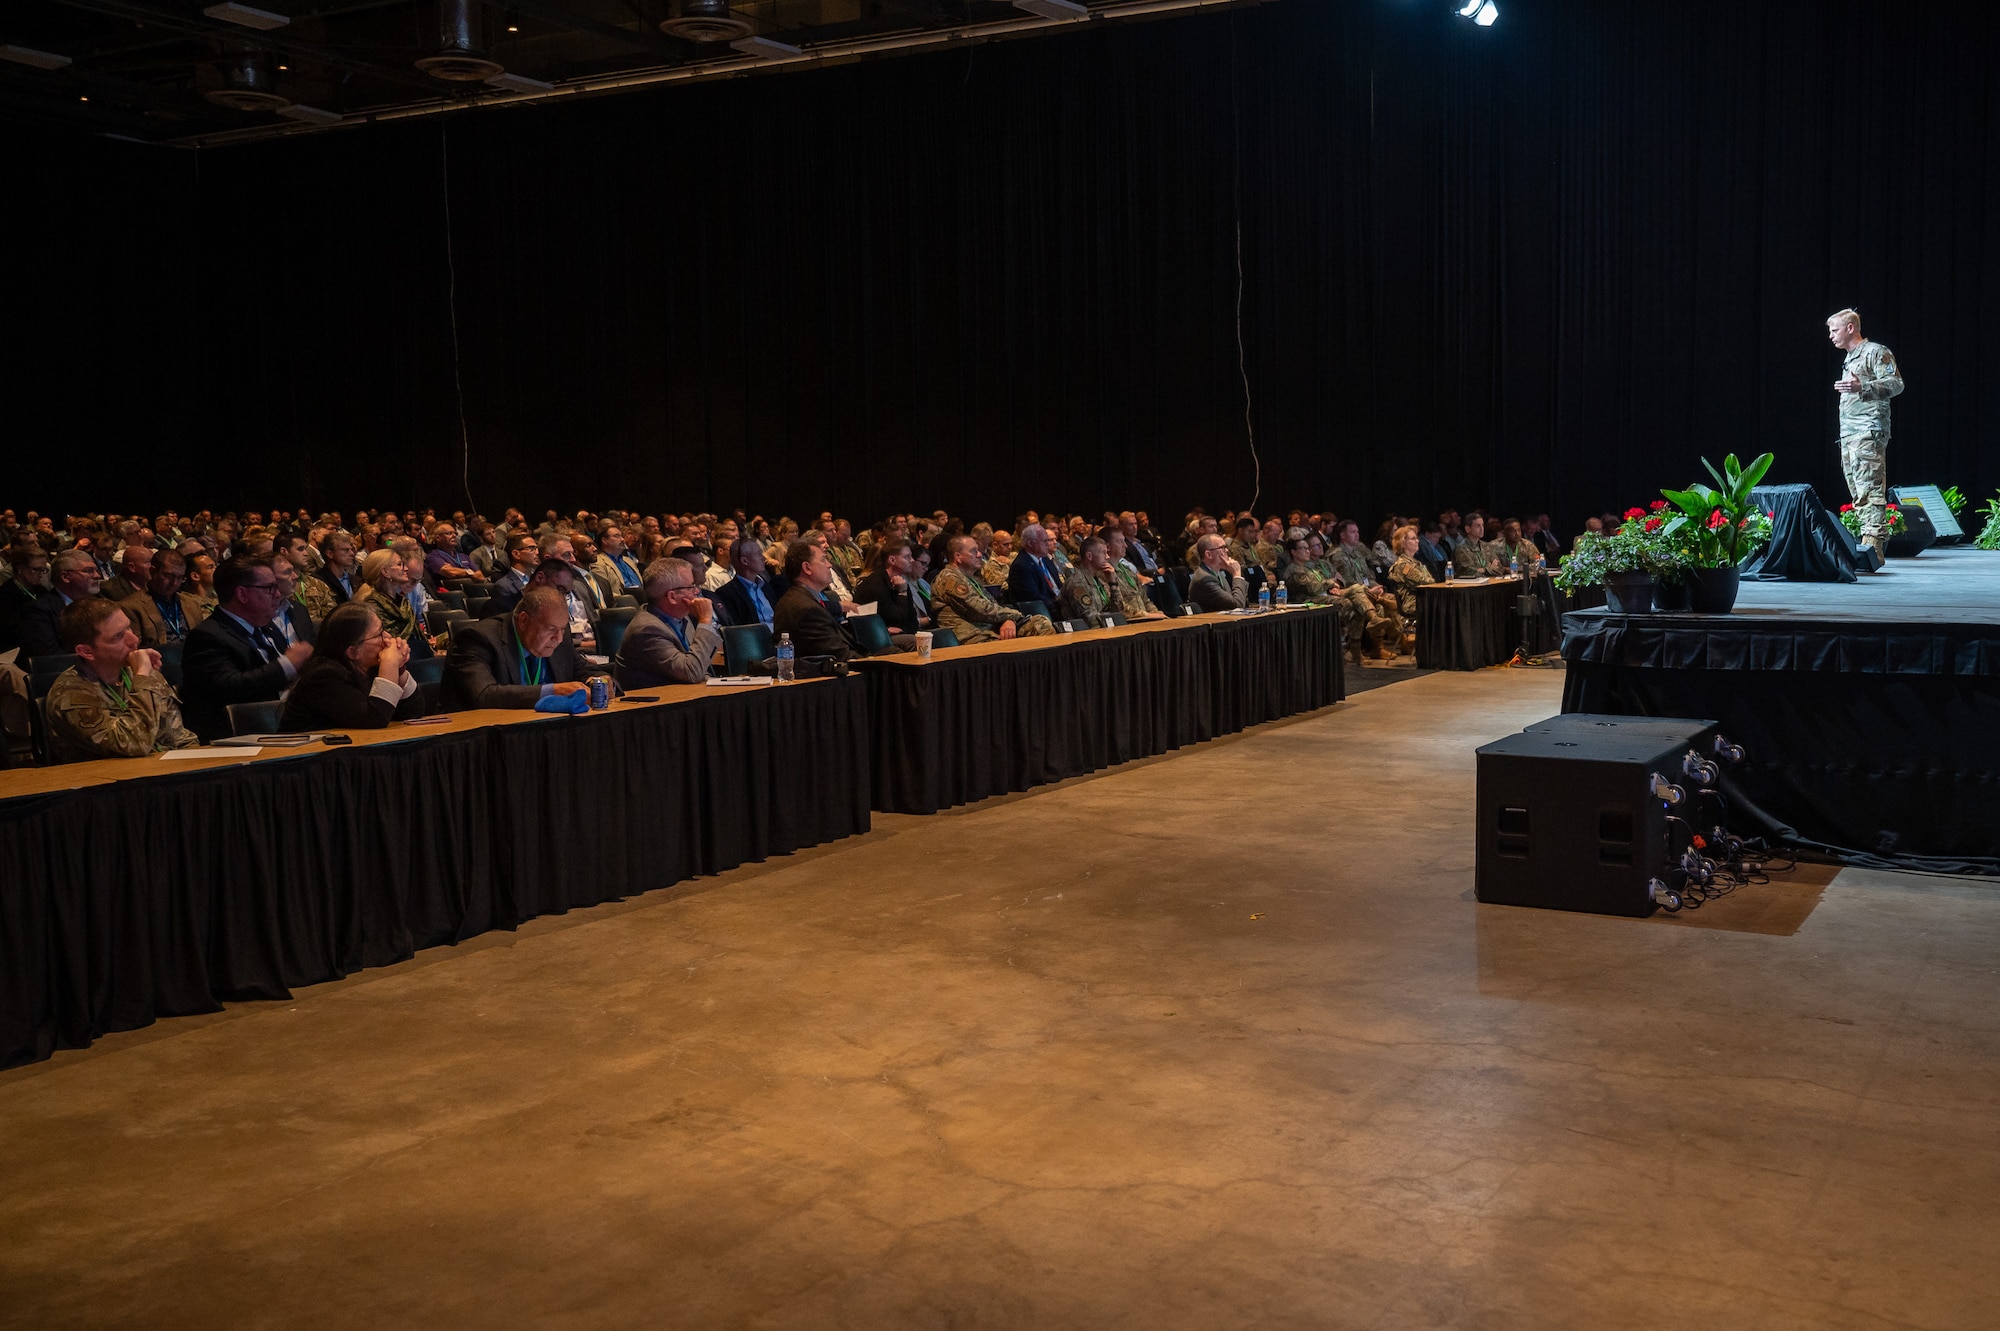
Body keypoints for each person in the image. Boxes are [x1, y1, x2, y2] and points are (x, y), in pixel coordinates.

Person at [43, 598, 199, 761]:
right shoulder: (72, 695)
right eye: (118, 637)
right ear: (86, 651)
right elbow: (134, 744)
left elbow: (179, 737)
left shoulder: (140, 672)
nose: (134, 640)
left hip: (161, 774)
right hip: (108, 781)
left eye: (128, 628)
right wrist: (142, 679)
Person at [180, 555, 317, 742]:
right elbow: (231, 688)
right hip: (232, 743)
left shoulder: (266, 627)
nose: (277, 594)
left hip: (279, 731)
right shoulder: (207, 637)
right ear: (242, 594)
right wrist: (287, 665)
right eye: (269, 588)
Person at [1828, 307, 1905, 562]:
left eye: (1834, 329)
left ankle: (1874, 547)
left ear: (1850, 328)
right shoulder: (1850, 358)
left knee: (1870, 487)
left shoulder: (1875, 352)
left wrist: (1864, 386)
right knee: (1858, 490)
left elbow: (1896, 384)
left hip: (1868, 431)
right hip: (1850, 432)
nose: (1831, 335)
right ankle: (1867, 544)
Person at [279, 601, 427, 730]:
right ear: (353, 652)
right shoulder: (324, 677)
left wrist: (399, 669)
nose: (388, 637)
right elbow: (375, 719)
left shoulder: (371, 667)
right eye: (379, 634)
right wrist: (390, 664)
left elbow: (413, 713)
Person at [443, 585, 587, 710]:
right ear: (523, 621)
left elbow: (582, 669)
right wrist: (553, 691)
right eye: (551, 629)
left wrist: (599, 680)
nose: (559, 639)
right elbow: (483, 695)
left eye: (562, 629)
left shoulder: (559, 635)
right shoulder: (476, 639)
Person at [614, 557, 722, 688]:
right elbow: (691, 672)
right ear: (672, 597)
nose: (697, 591)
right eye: (691, 587)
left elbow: (701, 668)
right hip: (655, 706)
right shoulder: (647, 630)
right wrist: (705, 620)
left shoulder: (682, 618)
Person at [933, 535, 1056, 644]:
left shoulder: (969, 578)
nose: (980, 554)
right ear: (958, 556)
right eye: (973, 551)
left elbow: (992, 604)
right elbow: (978, 609)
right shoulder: (949, 578)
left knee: (1040, 624)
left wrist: (1008, 620)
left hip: (989, 628)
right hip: (973, 636)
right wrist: (1014, 616)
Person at [772, 540, 857, 663]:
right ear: (807, 568)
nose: (829, 565)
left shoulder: (802, 599)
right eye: (823, 560)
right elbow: (839, 655)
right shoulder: (807, 609)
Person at [354, 547, 437, 660]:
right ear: (385, 572)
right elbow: (386, 645)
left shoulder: (402, 602)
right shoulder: (372, 605)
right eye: (400, 564)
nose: (406, 568)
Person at [116, 548, 206, 649]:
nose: (174, 583)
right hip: (158, 661)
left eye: (180, 577)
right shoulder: (131, 607)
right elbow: (134, 650)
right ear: (152, 571)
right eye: (169, 576)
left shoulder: (191, 603)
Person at [853, 535, 933, 642]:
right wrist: (902, 593)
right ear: (892, 560)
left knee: (936, 638)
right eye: (907, 557)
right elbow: (896, 618)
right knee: (919, 642)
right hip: (877, 638)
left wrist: (904, 629)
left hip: (899, 634)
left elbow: (912, 620)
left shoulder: (901, 580)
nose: (912, 560)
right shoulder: (875, 584)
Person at [1384, 525, 1433, 652]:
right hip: (1413, 603)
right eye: (1413, 539)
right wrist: (1429, 581)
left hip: (1423, 599)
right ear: (1403, 543)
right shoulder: (1402, 565)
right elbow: (1423, 582)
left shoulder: (1417, 563)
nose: (1417, 541)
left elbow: (1430, 581)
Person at [713, 537, 777, 629]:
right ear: (744, 561)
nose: (763, 558)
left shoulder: (766, 586)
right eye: (759, 554)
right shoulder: (727, 594)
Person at [1005, 524, 1067, 611]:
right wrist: (1062, 608)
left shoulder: (1045, 559)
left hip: (1060, 605)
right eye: (1045, 541)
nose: (1047, 544)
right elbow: (1034, 598)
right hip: (1044, 612)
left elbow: (1059, 586)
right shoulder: (1021, 567)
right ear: (1030, 543)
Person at [1188, 535, 1249, 612]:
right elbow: (1237, 605)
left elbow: (1240, 601)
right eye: (1222, 548)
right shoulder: (1205, 579)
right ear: (1208, 554)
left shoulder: (1217, 573)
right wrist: (1237, 575)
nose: (1226, 550)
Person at [1450, 513, 1506, 578]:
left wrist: (1483, 570)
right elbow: (1469, 573)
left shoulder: (1487, 546)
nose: (1482, 528)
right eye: (1478, 526)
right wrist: (1490, 568)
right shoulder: (1461, 549)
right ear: (1468, 529)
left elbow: (1500, 569)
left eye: (1482, 525)